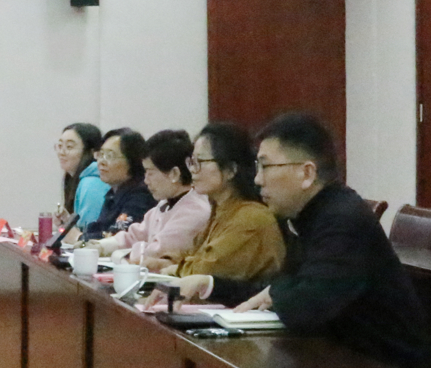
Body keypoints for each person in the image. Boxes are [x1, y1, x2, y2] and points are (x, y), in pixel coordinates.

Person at [233, 112, 431, 368]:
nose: (257, 179)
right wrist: (211, 284)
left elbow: (307, 306)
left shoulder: (343, 219)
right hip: (346, 361)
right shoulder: (305, 215)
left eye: (265, 166)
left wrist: (276, 292)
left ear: (307, 173)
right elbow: (280, 288)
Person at [163, 122, 287, 306]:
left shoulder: (251, 218)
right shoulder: (219, 210)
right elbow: (189, 255)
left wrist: (175, 268)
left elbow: (204, 272)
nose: (193, 170)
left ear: (230, 170)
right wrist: (170, 264)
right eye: (192, 162)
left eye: (200, 162)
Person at [97, 128, 210, 266]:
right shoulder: (165, 204)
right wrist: (100, 246)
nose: (146, 180)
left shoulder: (194, 212)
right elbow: (135, 235)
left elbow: (156, 251)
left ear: (174, 174)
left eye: (150, 172)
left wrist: (121, 253)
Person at [80, 128, 154, 242]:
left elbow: (118, 236)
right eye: (101, 154)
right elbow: (99, 228)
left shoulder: (141, 195)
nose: (101, 162)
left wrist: (79, 238)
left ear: (132, 160)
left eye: (110, 156)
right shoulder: (112, 193)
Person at [56, 122, 107, 233]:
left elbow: (89, 234)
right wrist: (68, 222)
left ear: (92, 152)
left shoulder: (91, 183)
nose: (61, 152)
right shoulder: (79, 179)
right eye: (59, 146)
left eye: (69, 147)